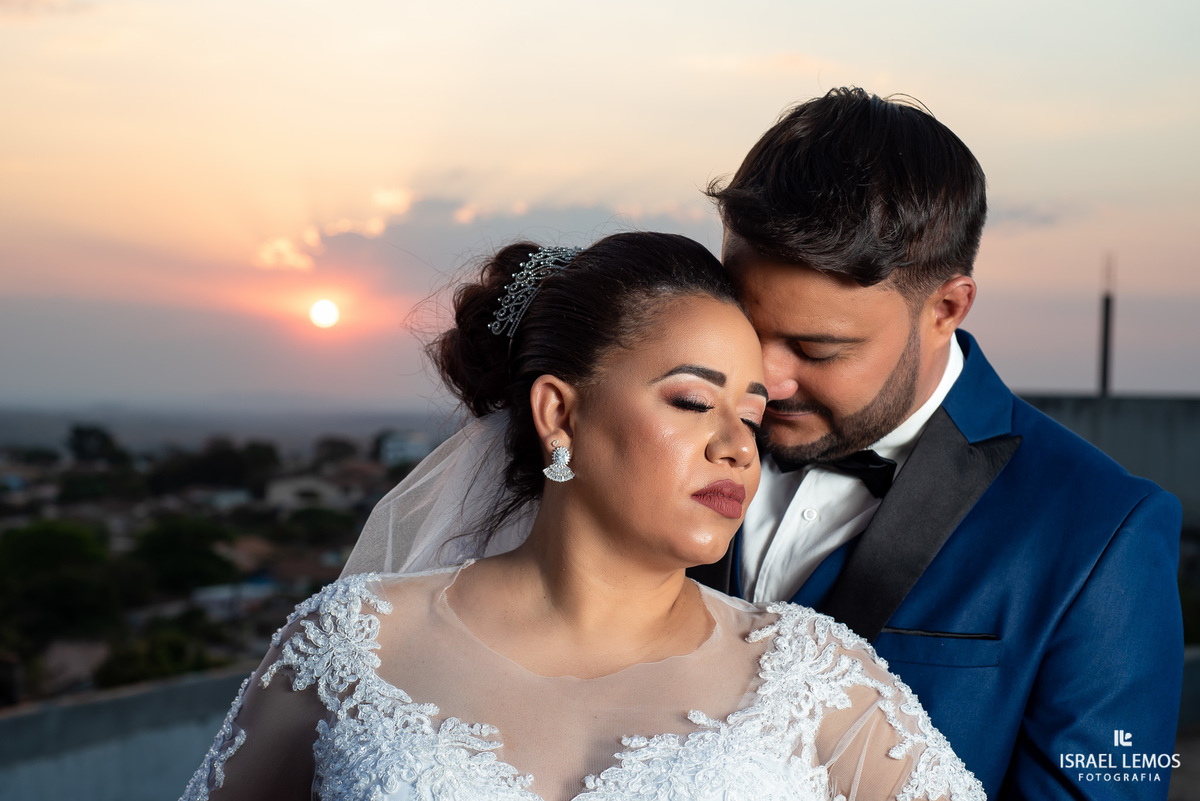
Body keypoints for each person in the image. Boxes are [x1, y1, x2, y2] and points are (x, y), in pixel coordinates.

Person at [182, 233, 986, 801]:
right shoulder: (352, 644)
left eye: (751, 413)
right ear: (559, 412)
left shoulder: (810, 676)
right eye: (692, 400)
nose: (737, 446)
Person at [698, 87, 1184, 800]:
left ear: (947, 307)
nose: (764, 379)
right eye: (746, 323)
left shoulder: (1103, 533)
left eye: (816, 347)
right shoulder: (658, 433)